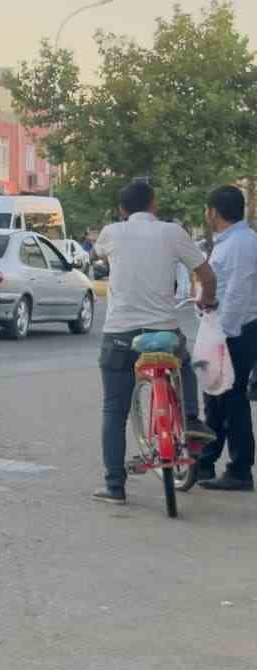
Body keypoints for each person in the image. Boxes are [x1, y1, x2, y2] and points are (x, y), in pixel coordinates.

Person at [91, 178, 217, 505]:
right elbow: (207, 276)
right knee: (184, 360)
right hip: (162, 332)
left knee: (113, 411)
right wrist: (207, 301)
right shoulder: (173, 232)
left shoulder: (111, 232)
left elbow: (98, 254)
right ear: (154, 205)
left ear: (122, 209)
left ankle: (114, 486)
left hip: (120, 335)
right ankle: (189, 418)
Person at [194, 185, 257, 491]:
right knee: (217, 398)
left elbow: (236, 295)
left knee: (230, 400)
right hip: (230, 329)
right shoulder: (234, 242)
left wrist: (222, 336)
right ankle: (205, 463)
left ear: (213, 212)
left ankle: (240, 468)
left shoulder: (239, 245)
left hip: (235, 331)